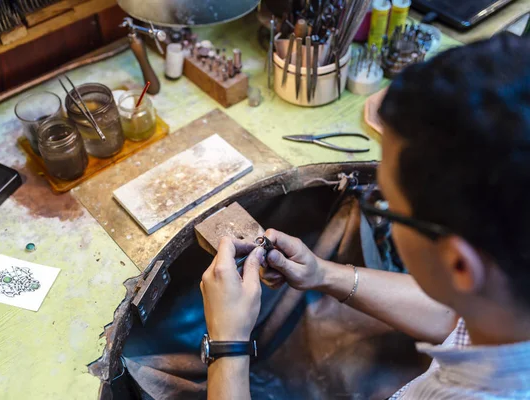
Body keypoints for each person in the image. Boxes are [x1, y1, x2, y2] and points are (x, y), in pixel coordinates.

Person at [199, 33, 530, 399]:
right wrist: (322, 273)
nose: (380, 208)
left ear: (460, 265)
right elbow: (458, 320)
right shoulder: (505, 310)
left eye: (385, 204)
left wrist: (227, 344)